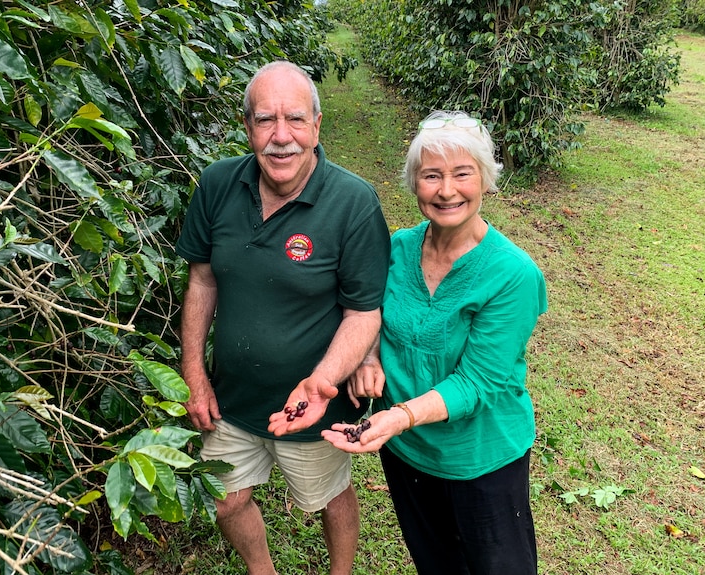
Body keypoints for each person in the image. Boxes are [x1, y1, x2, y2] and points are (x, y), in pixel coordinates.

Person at [276, 110, 547, 574]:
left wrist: (398, 417)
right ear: (414, 183)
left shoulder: (513, 275)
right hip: (408, 454)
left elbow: (478, 382)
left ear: (486, 180)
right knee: (436, 564)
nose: (446, 190)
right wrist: (368, 355)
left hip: (481, 459)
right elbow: (370, 313)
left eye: (463, 174)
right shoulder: (399, 247)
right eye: (431, 176)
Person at [175, 60, 391, 575]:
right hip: (233, 397)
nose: (281, 137)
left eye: (295, 119)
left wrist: (322, 384)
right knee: (225, 500)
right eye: (265, 120)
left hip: (310, 405)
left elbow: (364, 312)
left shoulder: (353, 203)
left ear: (317, 126)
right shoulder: (217, 184)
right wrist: (194, 373)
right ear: (246, 126)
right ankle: (262, 569)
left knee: (329, 496)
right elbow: (202, 281)